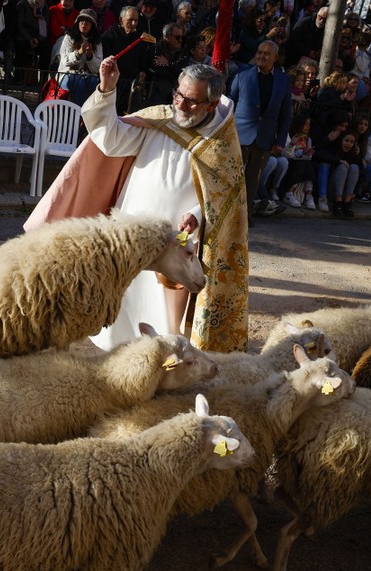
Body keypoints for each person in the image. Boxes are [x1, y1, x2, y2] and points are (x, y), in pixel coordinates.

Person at [25, 61, 249, 353]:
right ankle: (117, 348)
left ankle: (167, 352)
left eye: (191, 101)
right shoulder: (160, 120)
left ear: (211, 104)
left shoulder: (221, 145)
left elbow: (221, 203)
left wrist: (195, 216)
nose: (181, 105)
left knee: (165, 305)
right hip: (131, 225)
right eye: (178, 95)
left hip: (177, 236)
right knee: (125, 296)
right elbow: (109, 138)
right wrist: (107, 89)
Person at [229, 40, 291, 219]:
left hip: (265, 137)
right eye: (259, 52)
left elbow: (286, 114)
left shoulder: (283, 80)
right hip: (240, 135)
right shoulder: (242, 75)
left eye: (266, 53)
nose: (262, 56)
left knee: (253, 180)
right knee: (233, 177)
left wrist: (280, 141)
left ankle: (244, 216)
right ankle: (228, 215)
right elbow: (229, 105)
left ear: (275, 57)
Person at [57, 8, 101, 106]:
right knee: (79, 83)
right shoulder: (69, 37)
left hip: (88, 75)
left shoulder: (97, 42)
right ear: (77, 22)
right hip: (67, 74)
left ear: (92, 25)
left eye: (88, 21)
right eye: (82, 20)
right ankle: (77, 114)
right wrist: (79, 53)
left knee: (95, 83)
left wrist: (90, 56)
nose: (84, 23)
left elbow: (97, 68)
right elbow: (65, 62)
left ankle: (87, 114)